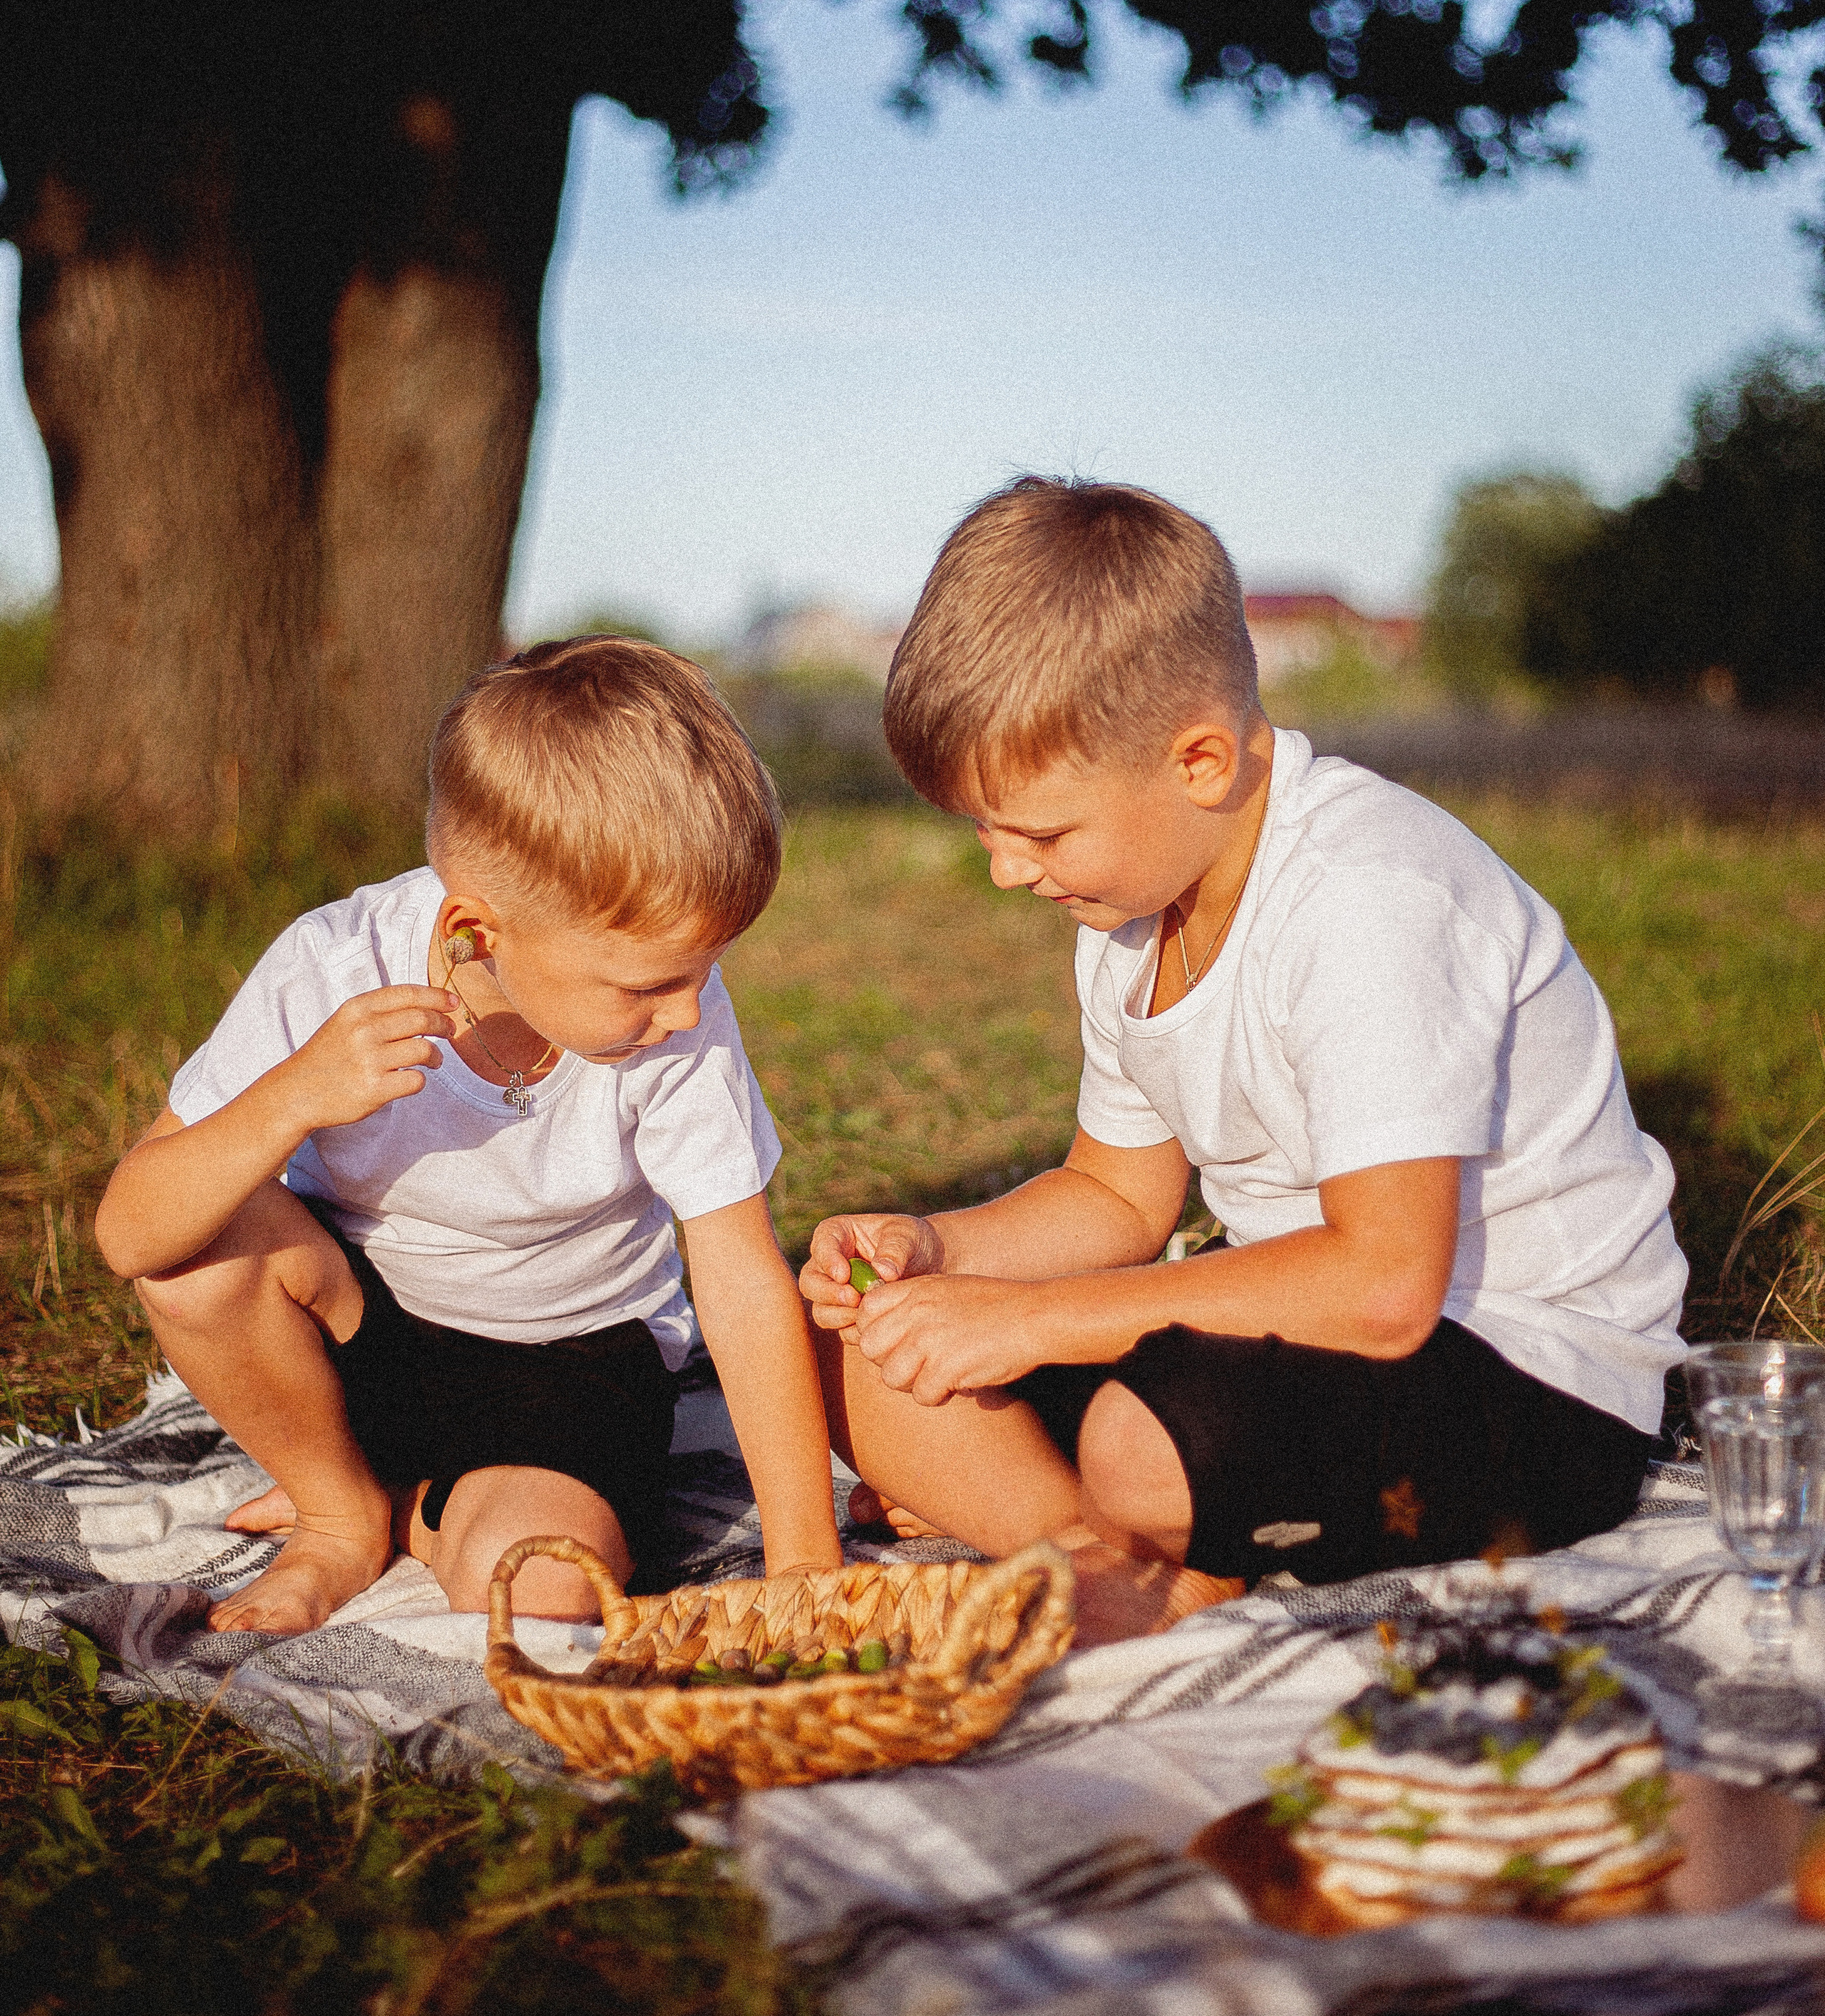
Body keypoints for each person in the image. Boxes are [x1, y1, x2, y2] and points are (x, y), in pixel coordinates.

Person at [801, 478, 1686, 1612]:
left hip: (1521, 1371)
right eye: (985, 829)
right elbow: (1118, 1198)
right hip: (1277, 1337)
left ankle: (1086, 1531)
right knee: (855, 1348)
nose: (1005, 871)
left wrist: (1027, 1323)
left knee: (1141, 1440)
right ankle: (1103, 1564)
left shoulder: (1368, 899)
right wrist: (939, 1254)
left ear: (1202, 763)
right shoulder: (1127, 915)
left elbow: (1383, 1286)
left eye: (1039, 832)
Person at [97, 637, 842, 1638]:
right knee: (199, 1252)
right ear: (477, 932)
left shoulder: (681, 1025)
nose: (687, 1009)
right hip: (362, 1336)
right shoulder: (335, 963)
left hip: (571, 1363)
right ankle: (341, 1510)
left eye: (704, 968)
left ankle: (425, 1507)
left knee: (541, 1588)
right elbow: (133, 1237)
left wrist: (803, 1560)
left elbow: (741, 1275)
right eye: (646, 984)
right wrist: (290, 1097)